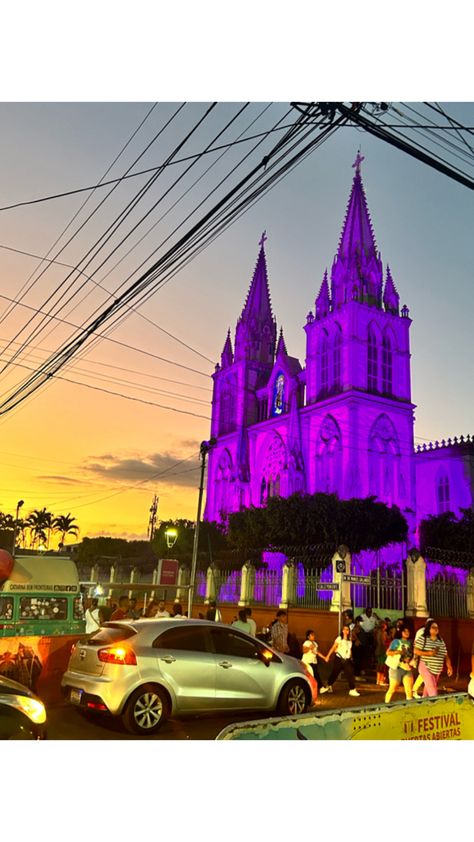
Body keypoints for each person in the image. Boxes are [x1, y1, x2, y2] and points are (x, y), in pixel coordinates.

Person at [413, 619, 453, 697]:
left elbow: (445, 654)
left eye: (437, 627)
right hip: (426, 667)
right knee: (433, 693)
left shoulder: (440, 641)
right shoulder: (423, 638)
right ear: (428, 628)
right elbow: (416, 651)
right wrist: (428, 653)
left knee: (427, 693)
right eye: (433, 627)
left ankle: (425, 706)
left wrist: (449, 666)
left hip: (436, 670)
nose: (436, 629)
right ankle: (436, 707)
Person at [320, 624, 360, 697]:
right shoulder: (339, 638)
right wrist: (327, 656)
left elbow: (349, 650)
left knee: (350, 673)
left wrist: (351, 657)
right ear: (342, 631)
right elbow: (333, 647)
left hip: (346, 659)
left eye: (347, 629)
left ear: (348, 631)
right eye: (344, 629)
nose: (345, 631)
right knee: (335, 673)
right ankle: (329, 685)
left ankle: (352, 689)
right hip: (339, 658)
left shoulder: (349, 640)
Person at [384, 625, 414, 703]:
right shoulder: (396, 641)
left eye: (408, 631)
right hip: (396, 668)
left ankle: (409, 707)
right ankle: (386, 705)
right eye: (405, 631)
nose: (407, 633)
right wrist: (397, 652)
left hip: (407, 667)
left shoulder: (410, 642)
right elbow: (388, 652)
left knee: (409, 690)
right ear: (401, 632)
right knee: (393, 688)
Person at [411, 618, 434, 697]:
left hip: (428, 655)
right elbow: (417, 643)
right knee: (424, 673)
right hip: (422, 654)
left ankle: (420, 691)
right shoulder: (421, 631)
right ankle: (414, 690)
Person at [301, 629, 326, 694]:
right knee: (311, 676)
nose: (313, 636)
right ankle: (319, 688)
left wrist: (324, 658)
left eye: (313, 635)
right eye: (312, 635)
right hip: (307, 662)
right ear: (308, 637)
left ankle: (319, 688)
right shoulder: (306, 642)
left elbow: (317, 652)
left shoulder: (315, 644)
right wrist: (309, 648)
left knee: (316, 675)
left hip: (314, 662)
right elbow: (303, 651)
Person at [374, 620, 389, 686]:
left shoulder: (377, 632)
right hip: (382, 650)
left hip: (378, 649)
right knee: (382, 665)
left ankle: (378, 680)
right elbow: (383, 642)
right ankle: (381, 680)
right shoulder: (383, 633)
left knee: (379, 665)